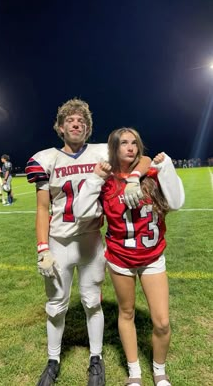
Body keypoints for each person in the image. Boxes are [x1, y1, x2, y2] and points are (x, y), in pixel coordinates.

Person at [25, 98, 151, 386]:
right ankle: (53, 359)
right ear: (60, 127)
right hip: (59, 241)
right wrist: (42, 247)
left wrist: (133, 177)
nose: (76, 123)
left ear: (88, 128)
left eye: (81, 120)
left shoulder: (101, 152)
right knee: (56, 305)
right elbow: (43, 208)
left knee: (92, 302)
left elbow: (142, 156)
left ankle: (96, 358)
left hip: (92, 239)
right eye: (69, 119)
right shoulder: (45, 159)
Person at [74, 127, 185, 386]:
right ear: (114, 148)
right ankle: (135, 373)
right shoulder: (106, 180)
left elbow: (177, 202)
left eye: (134, 142)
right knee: (126, 313)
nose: (130, 147)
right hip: (120, 257)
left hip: (152, 256)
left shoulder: (153, 173)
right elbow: (80, 212)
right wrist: (94, 179)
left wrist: (163, 167)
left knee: (162, 322)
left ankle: (159, 370)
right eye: (123, 142)